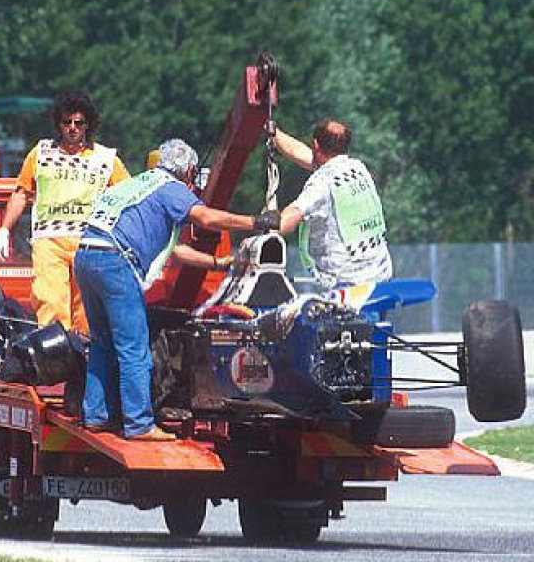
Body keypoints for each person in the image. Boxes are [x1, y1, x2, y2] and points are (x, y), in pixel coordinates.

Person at [75, 138, 279, 441]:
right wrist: (256, 222)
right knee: (134, 347)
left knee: (103, 342)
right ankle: (139, 424)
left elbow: (173, 249)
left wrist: (217, 263)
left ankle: (95, 415)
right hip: (115, 262)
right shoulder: (172, 189)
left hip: (87, 255)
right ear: (190, 171)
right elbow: (206, 218)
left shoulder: (137, 183)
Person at [0, 89, 130, 335]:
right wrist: (3, 230)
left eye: (79, 122)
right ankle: (55, 362)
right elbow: (21, 193)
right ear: (59, 124)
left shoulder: (107, 159)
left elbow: (129, 197)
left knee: (88, 315)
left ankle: (87, 365)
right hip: (49, 242)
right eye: (67, 122)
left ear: (88, 125)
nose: (73, 128)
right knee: (51, 305)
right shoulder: (40, 153)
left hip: (91, 244)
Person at [269, 119, 393, 289]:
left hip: (345, 290)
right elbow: (302, 153)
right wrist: (273, 133)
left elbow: (283, 223)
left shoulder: (321, 184)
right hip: (380, 281)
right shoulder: (357, 169)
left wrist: (250, 234)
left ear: (315, 144)